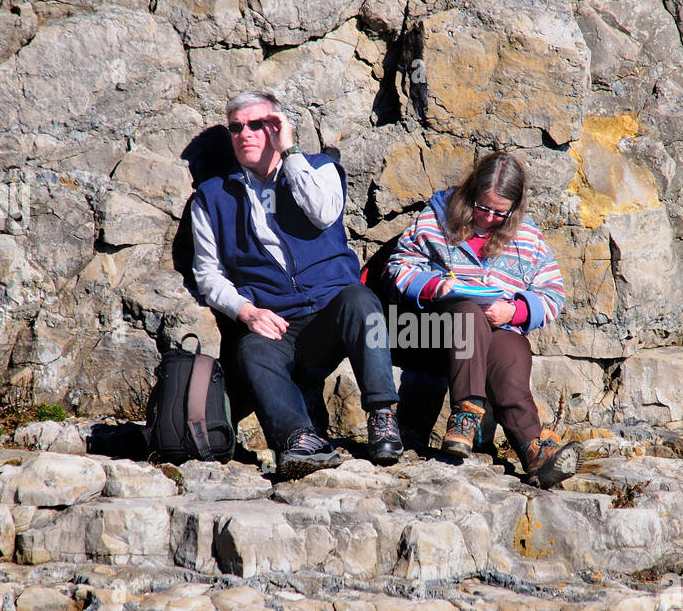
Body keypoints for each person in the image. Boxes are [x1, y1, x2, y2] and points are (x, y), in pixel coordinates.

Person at [190, 88, 402, 477]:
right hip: (276, 323)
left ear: (279, 127)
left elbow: (323, 213)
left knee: (361, 300)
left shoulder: (320, 169)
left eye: (259, 124)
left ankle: (383, 416)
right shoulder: (211, 196)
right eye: (236, 128)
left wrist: (290, 153)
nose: (245, 134)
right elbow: (208, 274)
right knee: (251, 349)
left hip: (330, 314)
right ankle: (299, 441)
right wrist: (246, 311)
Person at [385, 151, 580, 488]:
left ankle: (535, 453)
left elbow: (553, 293)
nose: (489, 218)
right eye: (482, 207)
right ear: (470, 192)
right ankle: (464, 415)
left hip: (496, 328)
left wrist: (514, 311)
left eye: (499, 213)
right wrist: (434, 285)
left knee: (510, 355)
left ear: (514, 209)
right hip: (433, 332)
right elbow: (398, 266)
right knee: (467, 314)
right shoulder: (436, 219)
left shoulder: (528, 238)